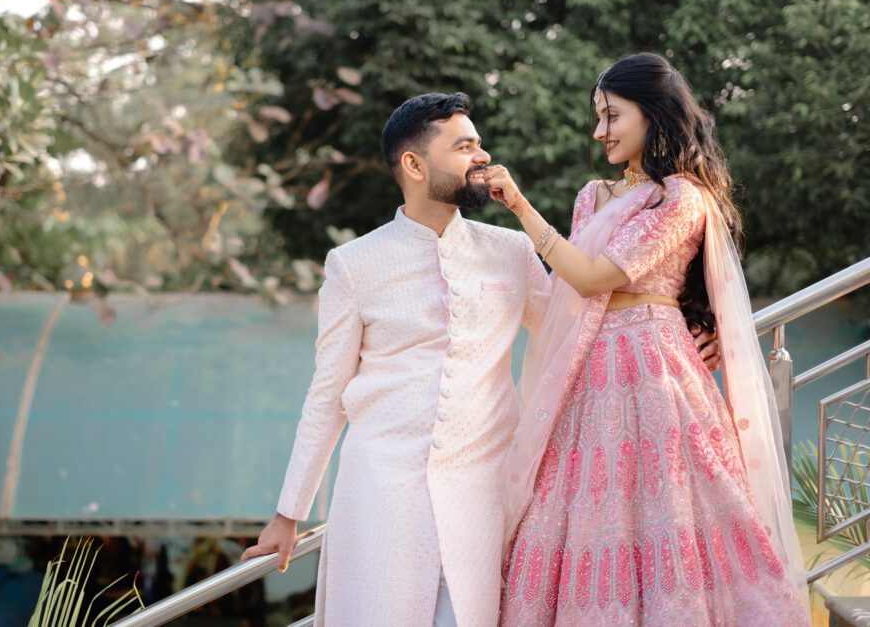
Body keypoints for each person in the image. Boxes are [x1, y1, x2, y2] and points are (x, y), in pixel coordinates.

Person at [242, 92, 720, 627]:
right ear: (414, 165)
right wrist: (289, 514)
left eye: (478, 143)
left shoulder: (511, 251)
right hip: (380, 496)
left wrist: (690, 324)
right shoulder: (354, 265)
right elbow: (327, 397)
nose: (482, 156)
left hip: (482, 501)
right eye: (464, 146)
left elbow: (578, 327)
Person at [484, 53, 810, 626]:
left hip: (657, 375)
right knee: (585, 512)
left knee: (667, 513)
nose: (599, 131)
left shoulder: (681, 198)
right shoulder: (592, 196)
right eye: (598, 117)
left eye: (612, 116)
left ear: (652, 115)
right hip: (588, 375)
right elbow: (568, 292)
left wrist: (517, 204)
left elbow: (590, 278)